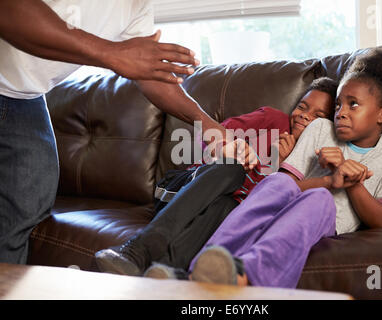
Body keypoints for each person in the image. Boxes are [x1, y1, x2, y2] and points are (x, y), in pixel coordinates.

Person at [0, 0, 239, 264]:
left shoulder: (137, 8)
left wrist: (206, 123)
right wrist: (112, 53)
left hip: (25, 98)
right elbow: (9, 10)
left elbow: (148, 75)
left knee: (27, 205)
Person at [188, 48, 382, 288]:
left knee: (319, 199)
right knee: (276, 181)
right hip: (286, 201)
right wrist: (329, 180)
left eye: (353, 105)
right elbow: (285, 185)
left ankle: (246, 275)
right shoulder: (320, 129)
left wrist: (354, 184)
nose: (341, 113)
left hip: (322, 217)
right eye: (338, 105)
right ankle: (206, 264)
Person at [94, 77, 338, 277]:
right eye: (303, 107)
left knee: (230, 206)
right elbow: (208, 135)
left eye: (318, 115)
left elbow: (266, 208)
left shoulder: (310, 162)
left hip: (219, 214)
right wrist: (233, 146)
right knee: (232, 168)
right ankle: (138, 249)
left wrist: (278, 167)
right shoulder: (273, 120)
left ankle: (164, 273)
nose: (305, 116)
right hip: (182, 191)